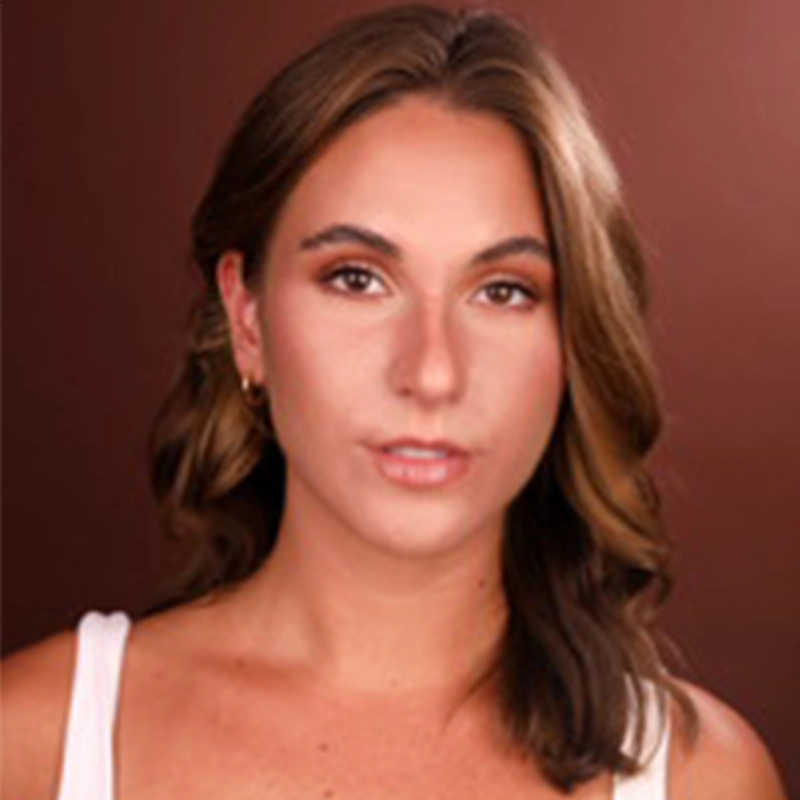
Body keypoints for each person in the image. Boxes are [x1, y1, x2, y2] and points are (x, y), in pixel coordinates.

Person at [1, 4, 788, 798]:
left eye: (504, 291)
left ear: (576, 342)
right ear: (247, 318)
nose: (432, 372)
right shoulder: (30, 744)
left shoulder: (700, 778)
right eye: (356, 278)